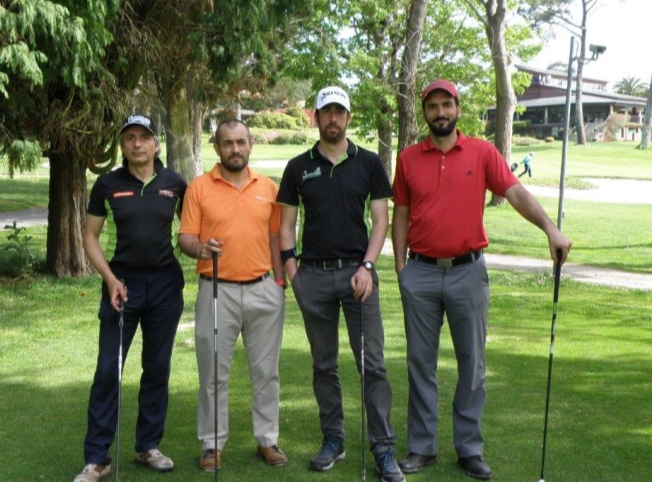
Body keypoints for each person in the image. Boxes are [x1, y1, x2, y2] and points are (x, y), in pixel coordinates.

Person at [391, 80, 572, 480]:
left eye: (446, 105)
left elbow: (515, 192)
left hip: (468, 273)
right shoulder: (407, 159)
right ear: (424, 112)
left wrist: (550, 230)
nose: (440, 112)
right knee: (420, 364)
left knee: (472, 364)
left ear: (458, 108)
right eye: (433, 106)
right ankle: (422, 447)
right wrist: (402, 270)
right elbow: (400, 215)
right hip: (419, 273)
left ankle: (469, 448)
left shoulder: (482, 152)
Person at [278, 86, 405, 482]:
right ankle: (333, 439)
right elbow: (286, 224)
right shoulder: (298, 166)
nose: (333, 118)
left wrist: (367, 265)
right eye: (325, 112)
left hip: (358, 274)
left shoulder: (368, 162)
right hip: (312, 275)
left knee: (373, 365)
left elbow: (381, 220)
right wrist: (292, 272)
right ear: (315, 117)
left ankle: (383, 449)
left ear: (349, 118)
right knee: (324, 365)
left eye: (340, 112)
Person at [74, 114, 186, 482]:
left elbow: (190, 230)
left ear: (156, 143)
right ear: (122, 145)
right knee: (109, 369)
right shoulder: (107, 184)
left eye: (144, 137)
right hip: (121, 284)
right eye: (130, 138)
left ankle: (147, 446)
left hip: (166, 285)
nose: (137, 144)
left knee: (157, 368)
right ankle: (97, 458)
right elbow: (90, 235)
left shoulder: (175, 184)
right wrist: (109, 279)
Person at [178, 119, 288, 472]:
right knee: (212, 373)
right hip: (216, 290)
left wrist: (279, 283)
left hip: (263, 289)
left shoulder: (269, 188)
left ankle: (267, 440)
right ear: (217, 147)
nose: (235, 149)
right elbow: (185, 238)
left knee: (266, 372)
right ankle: (212, 444)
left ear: (251, 145)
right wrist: (200, 249)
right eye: (228, 143)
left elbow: (277, 239)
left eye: (241, 142)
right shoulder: (198, 187)